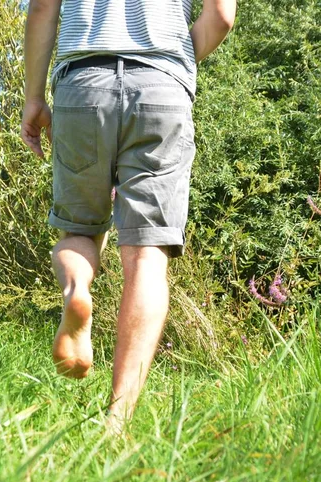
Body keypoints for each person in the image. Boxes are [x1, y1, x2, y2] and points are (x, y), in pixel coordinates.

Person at [21, 0, 236, 431]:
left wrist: (33, 98)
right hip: (162, 87)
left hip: (83, 85)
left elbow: (44, 7)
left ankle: (77, 290)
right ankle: (116, 422)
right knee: (146, 260)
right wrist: (171, 66)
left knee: (78, 231)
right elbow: (221, 15)